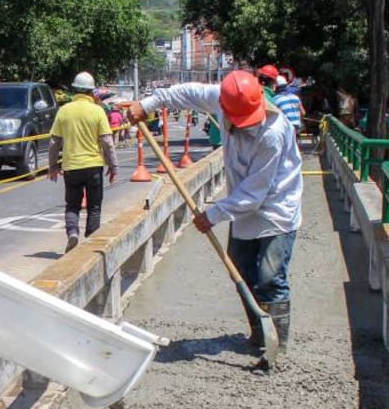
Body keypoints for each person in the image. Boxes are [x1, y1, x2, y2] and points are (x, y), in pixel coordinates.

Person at [126, 70, 302, 352]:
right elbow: (183, 93)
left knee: (271, 278)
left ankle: (277, 346)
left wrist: (213, 214)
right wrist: (147, 105)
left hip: (276, 208)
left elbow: (255, 194)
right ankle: (259, 333)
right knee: (241, 271)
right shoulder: (222, 99)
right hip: (243, 210)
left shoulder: (272, 133)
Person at [48, 71, 118, 253]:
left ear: (75, 89)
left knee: (72, 205)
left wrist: (53, 166)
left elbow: (54, 142)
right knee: (94, 207)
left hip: (71, 167)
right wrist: (113, 166)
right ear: (91, 91)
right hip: (94, 166)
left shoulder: (64, 111)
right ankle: (91, 242)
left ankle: (73, 232)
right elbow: (108, 143)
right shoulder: (98, 111)